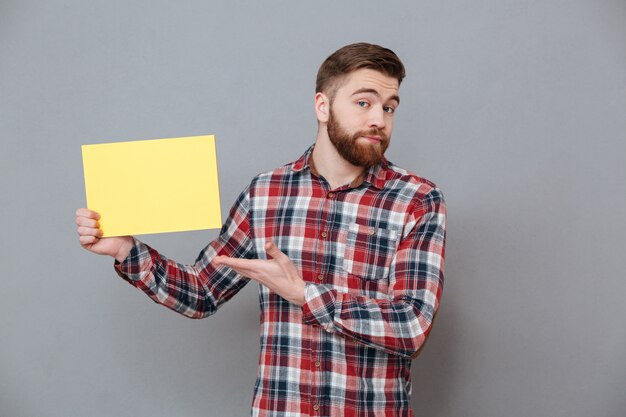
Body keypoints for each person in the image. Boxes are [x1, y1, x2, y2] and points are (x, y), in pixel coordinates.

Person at [76, 42, 446, 417]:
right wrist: (125, 249)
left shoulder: (417, 200)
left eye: (389, 107)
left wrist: (305, 295)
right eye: (364, 103)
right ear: (322, 106)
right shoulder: (265, 193)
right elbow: (202, 293)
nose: (379, 120)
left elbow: (412, 326)